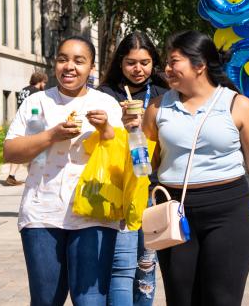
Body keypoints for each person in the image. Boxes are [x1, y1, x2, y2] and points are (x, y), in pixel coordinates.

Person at [142, 31, 249, 305]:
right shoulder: (157, 108)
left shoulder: (239, 105)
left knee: (221, 299)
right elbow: (145, 163)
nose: (167, 69)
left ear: (199, 65)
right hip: (174, 211)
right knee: (181, 299)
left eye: (174, 62)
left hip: (229, 213)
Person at [3, 35, 123, 306]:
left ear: (92, 67)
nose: (69, 67)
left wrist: (106, 129)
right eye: (62, 59)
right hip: (42, 214)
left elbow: (123, 157)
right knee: (46, 300)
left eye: (79, 61)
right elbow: (11, 152)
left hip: (95, 214)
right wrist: (51, 135)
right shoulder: (37, 102)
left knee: (90, 300)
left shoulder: (106, 105)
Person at [98, 32, 169, 306]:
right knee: (117, 264)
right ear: (119, 63)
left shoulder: (163, 94)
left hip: (150, 189)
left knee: (146, 263)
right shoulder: (104, 95)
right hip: (114, 187)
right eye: (131, 63)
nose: (138, 69)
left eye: (145, 62)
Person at [6, 71, 48, 186]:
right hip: (32, 124)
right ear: (40, 81)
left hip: (21, 121)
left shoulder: (24, 89)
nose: (44, 85)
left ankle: (11, 175)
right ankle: (29, 174)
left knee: (20, 150)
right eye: (44, 82)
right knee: (30, 150)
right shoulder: (37, 93)